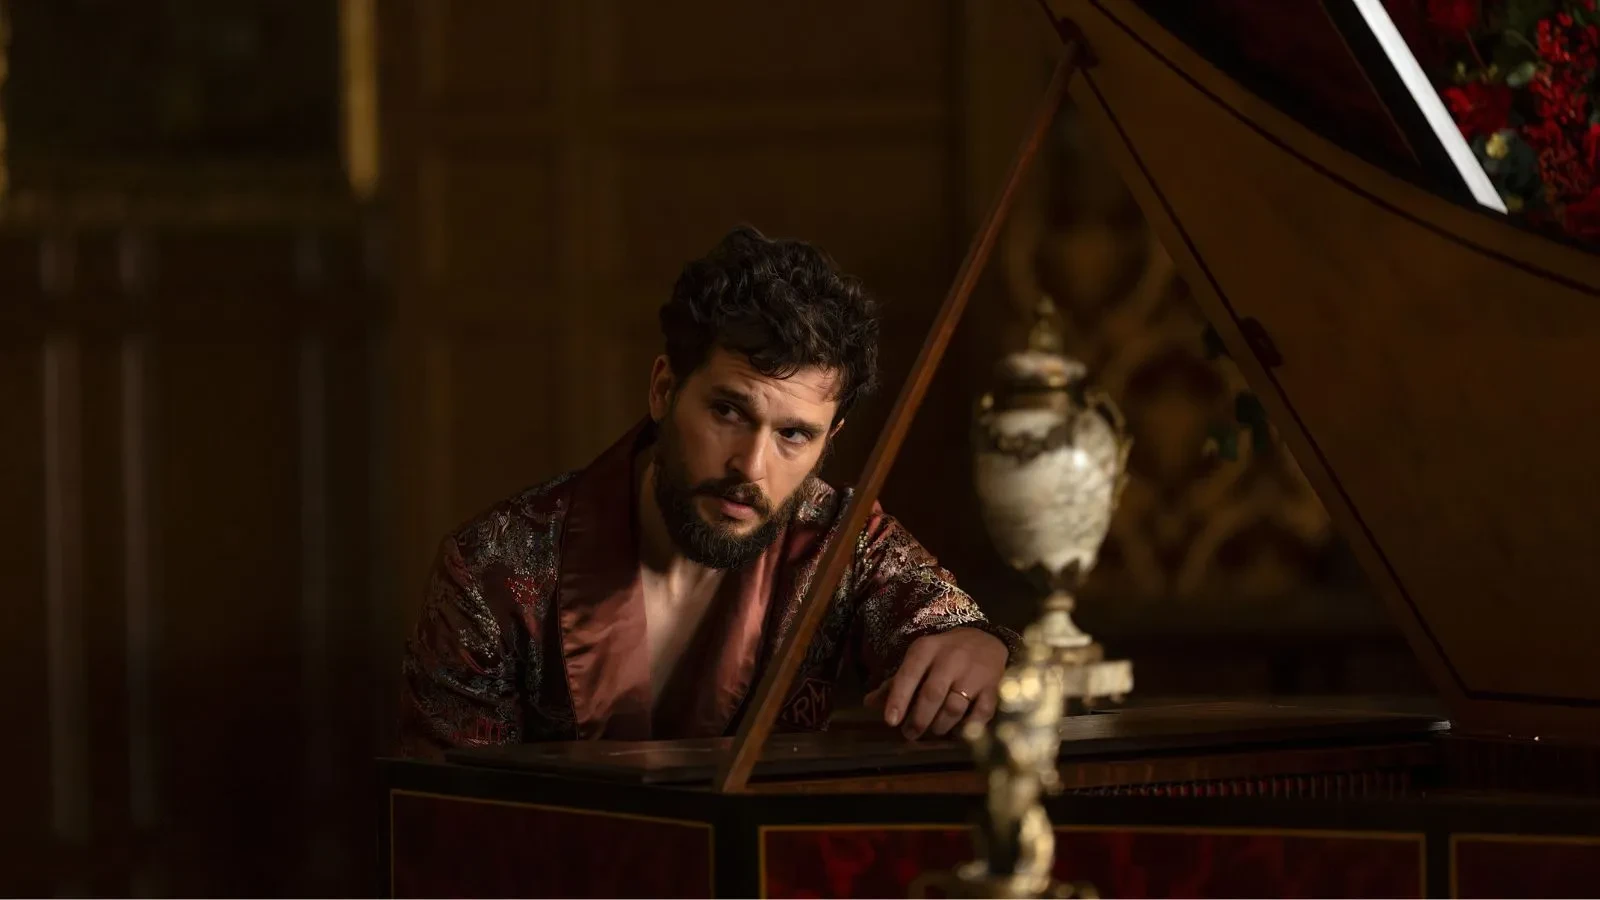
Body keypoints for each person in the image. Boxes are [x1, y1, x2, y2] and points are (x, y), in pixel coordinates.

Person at [398, 226, 1016, 759]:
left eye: (794, 435)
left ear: (830, 440)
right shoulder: (492, 571)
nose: (751, 466)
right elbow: (454, 823)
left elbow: (949, 626)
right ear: (665, 390)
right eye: (727, 410)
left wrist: (980, 645)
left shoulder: (843, 543)